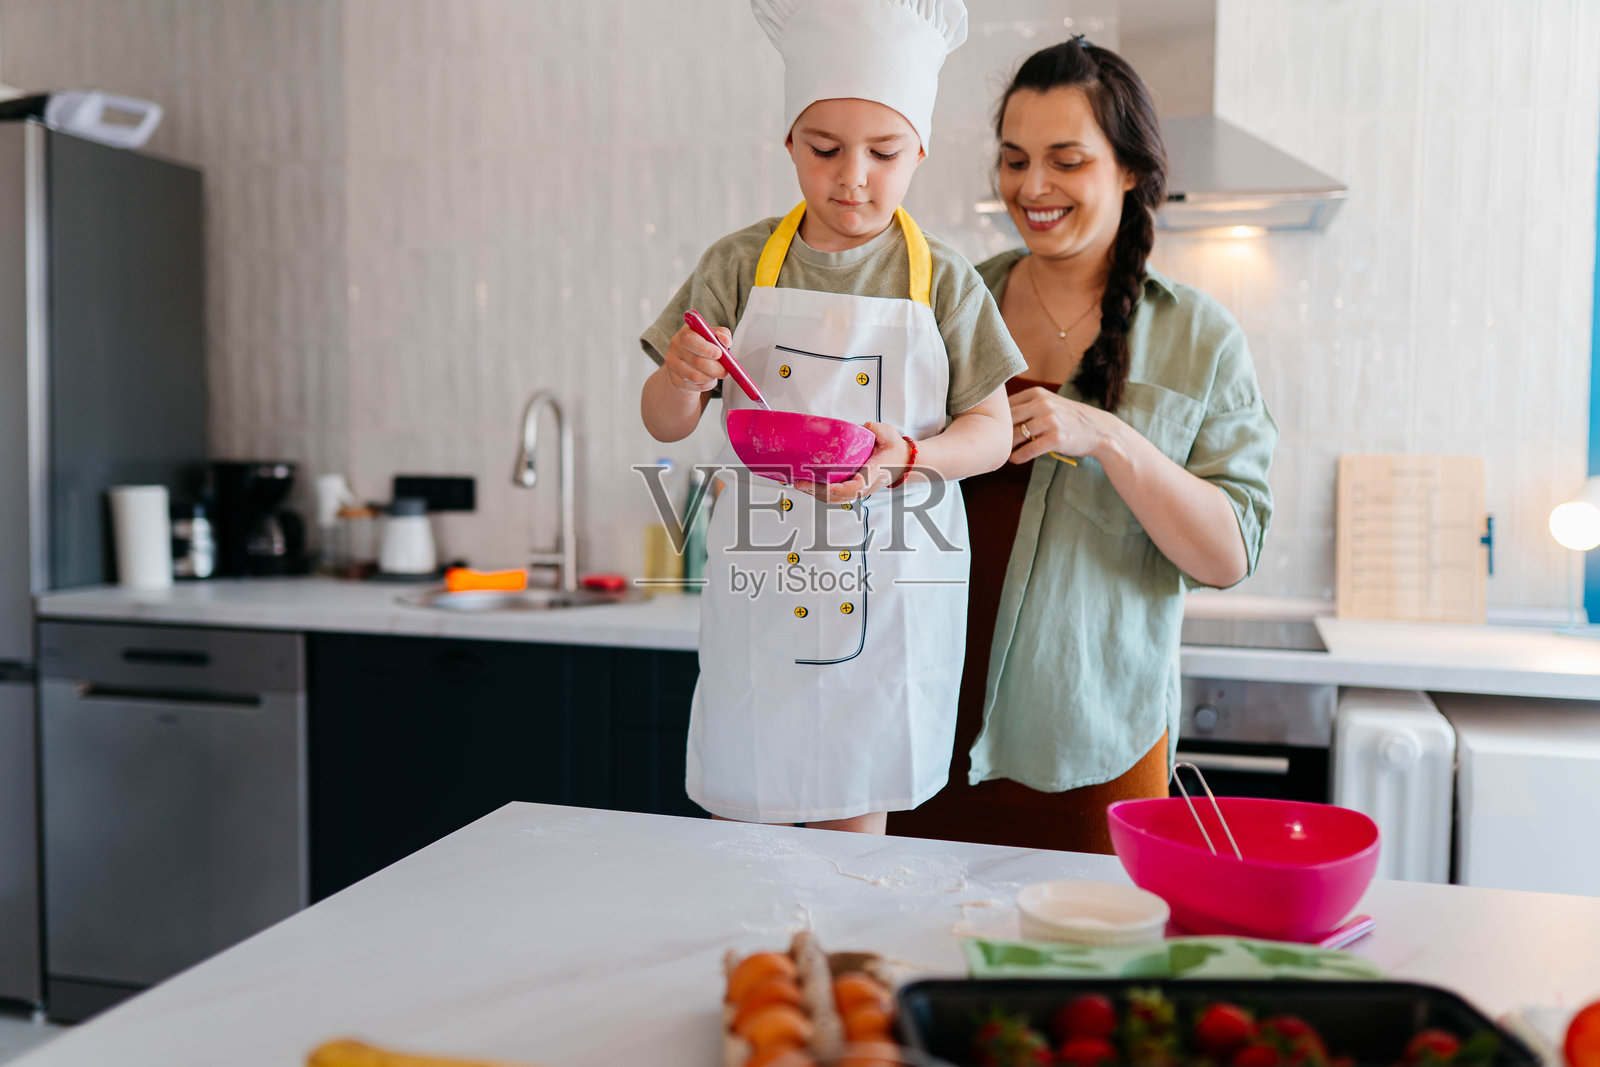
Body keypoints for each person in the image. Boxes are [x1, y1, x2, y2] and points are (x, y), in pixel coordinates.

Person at [639, 0, 1027, 833]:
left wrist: (912, 455)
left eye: (883, 153)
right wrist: (679, 374)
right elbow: (666, 424)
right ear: (788, 143)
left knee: (854, 856)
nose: (853, 176)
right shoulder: (738, 264)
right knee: (748, 857)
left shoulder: (946, 280)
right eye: (824, 149)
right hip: (764, 598)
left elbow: (991, 434)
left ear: (919, 149)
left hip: (887, 602)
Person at [889, 37, 1278, 853]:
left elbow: (1228, 553)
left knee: (1079, 977)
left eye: (1066, 160)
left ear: (1129, 169)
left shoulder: (1199, 338)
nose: (1033, 187)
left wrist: (1105, 435)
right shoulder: (950, 303)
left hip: (1091, 748)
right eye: (1015, 158)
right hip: (912, 724)